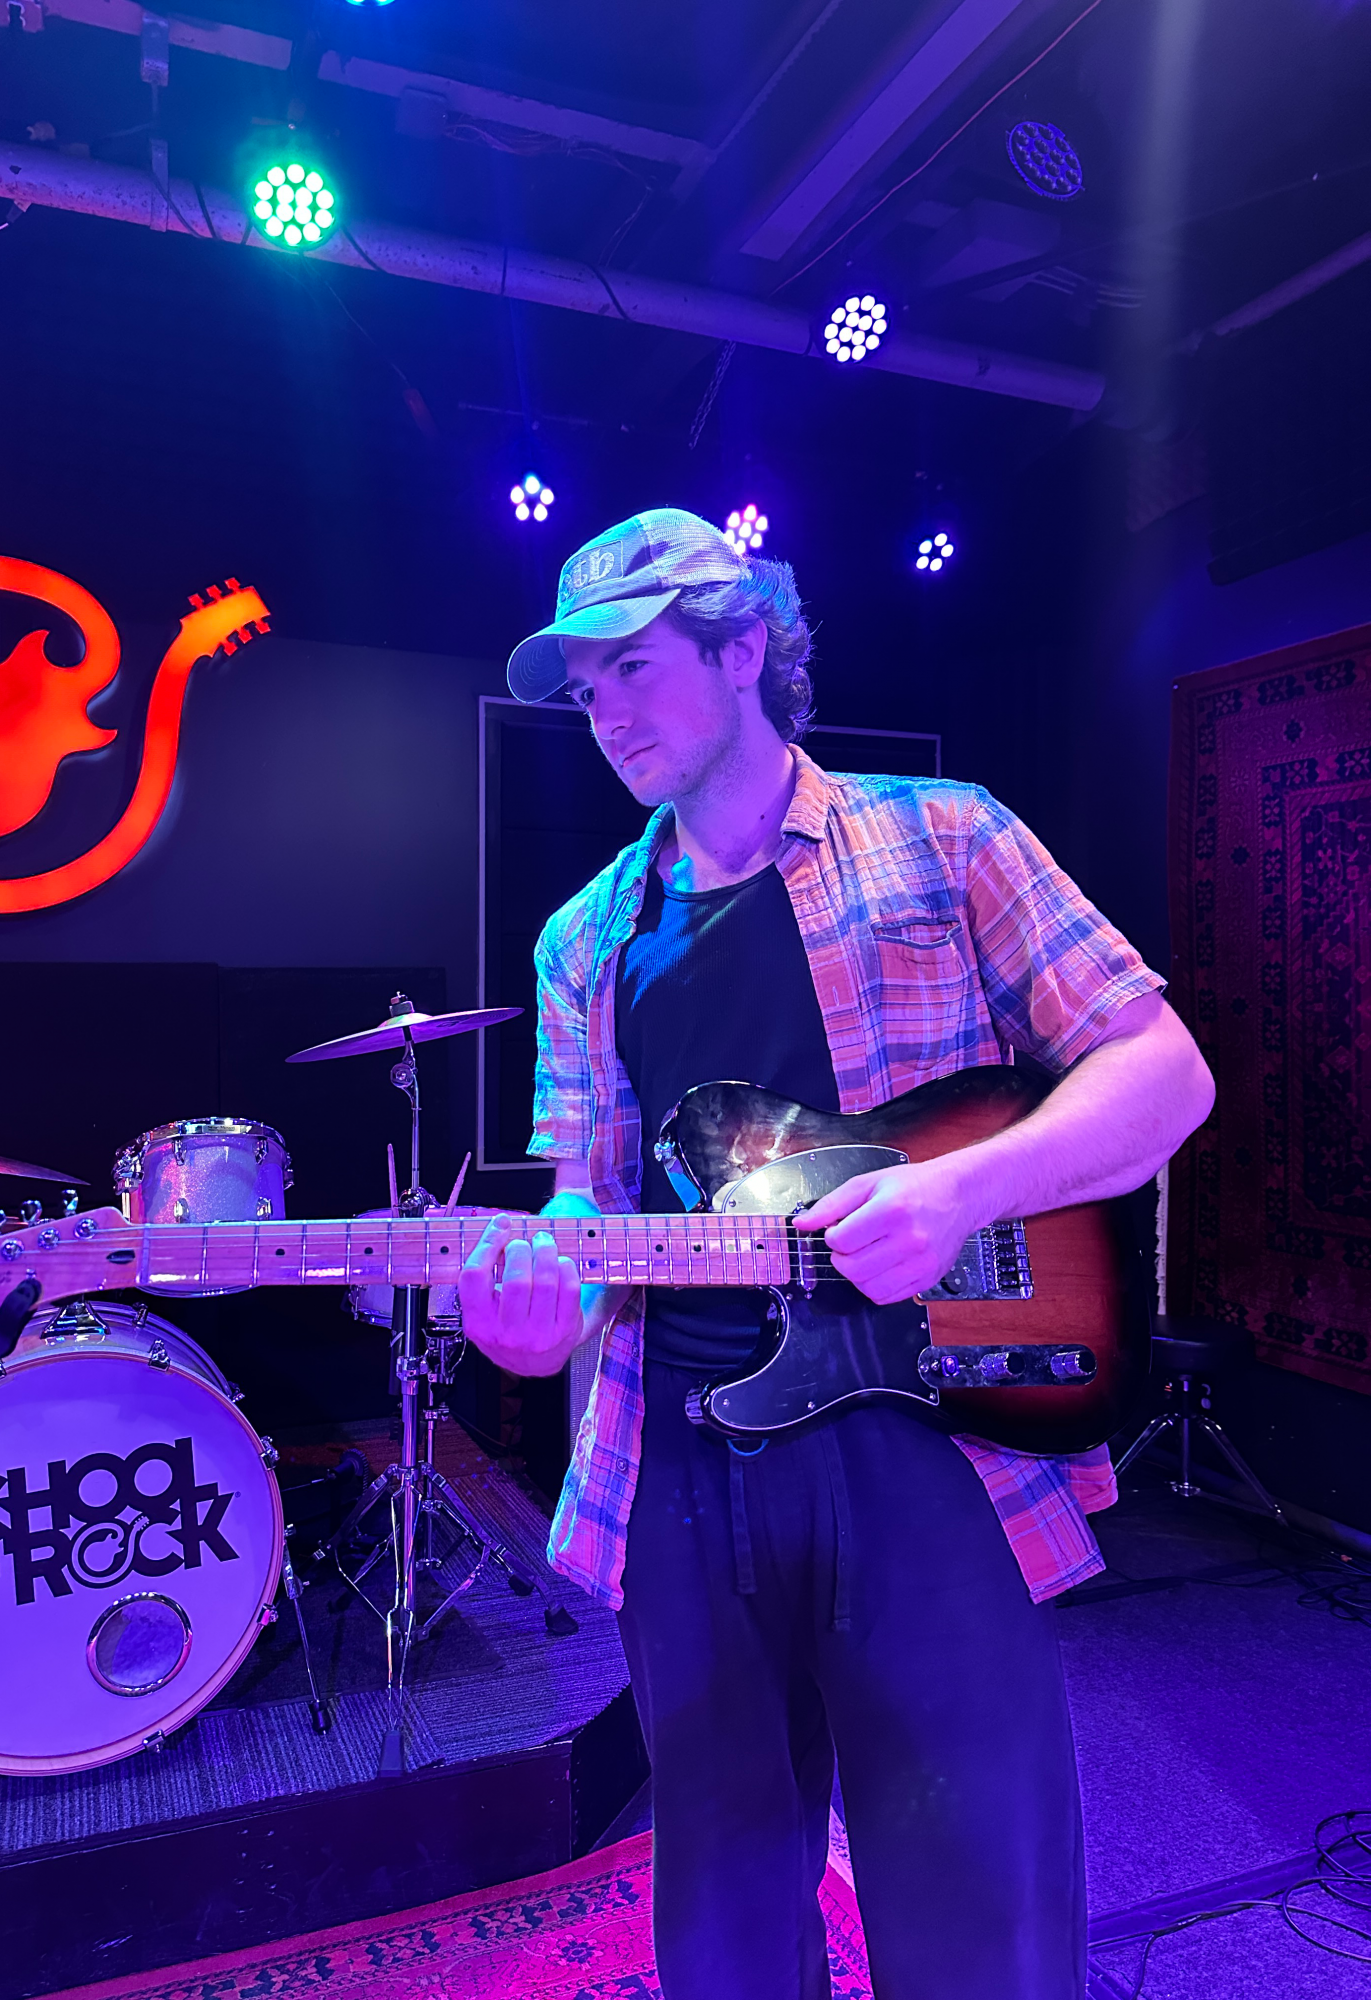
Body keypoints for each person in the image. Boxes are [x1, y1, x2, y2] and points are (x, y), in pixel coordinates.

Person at [457, 509, 1214, 2000]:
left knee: (977, 1893)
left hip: (925, 1442)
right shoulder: (581, 938)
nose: (605, 717)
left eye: (633, 668)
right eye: (586, 690)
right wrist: (536, 1309)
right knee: (727, 1903)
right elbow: (586, 1207)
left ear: (744, 648)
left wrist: (959, 1196)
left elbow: (1164, 1075)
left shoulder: (945, 835)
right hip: (679, 1460)